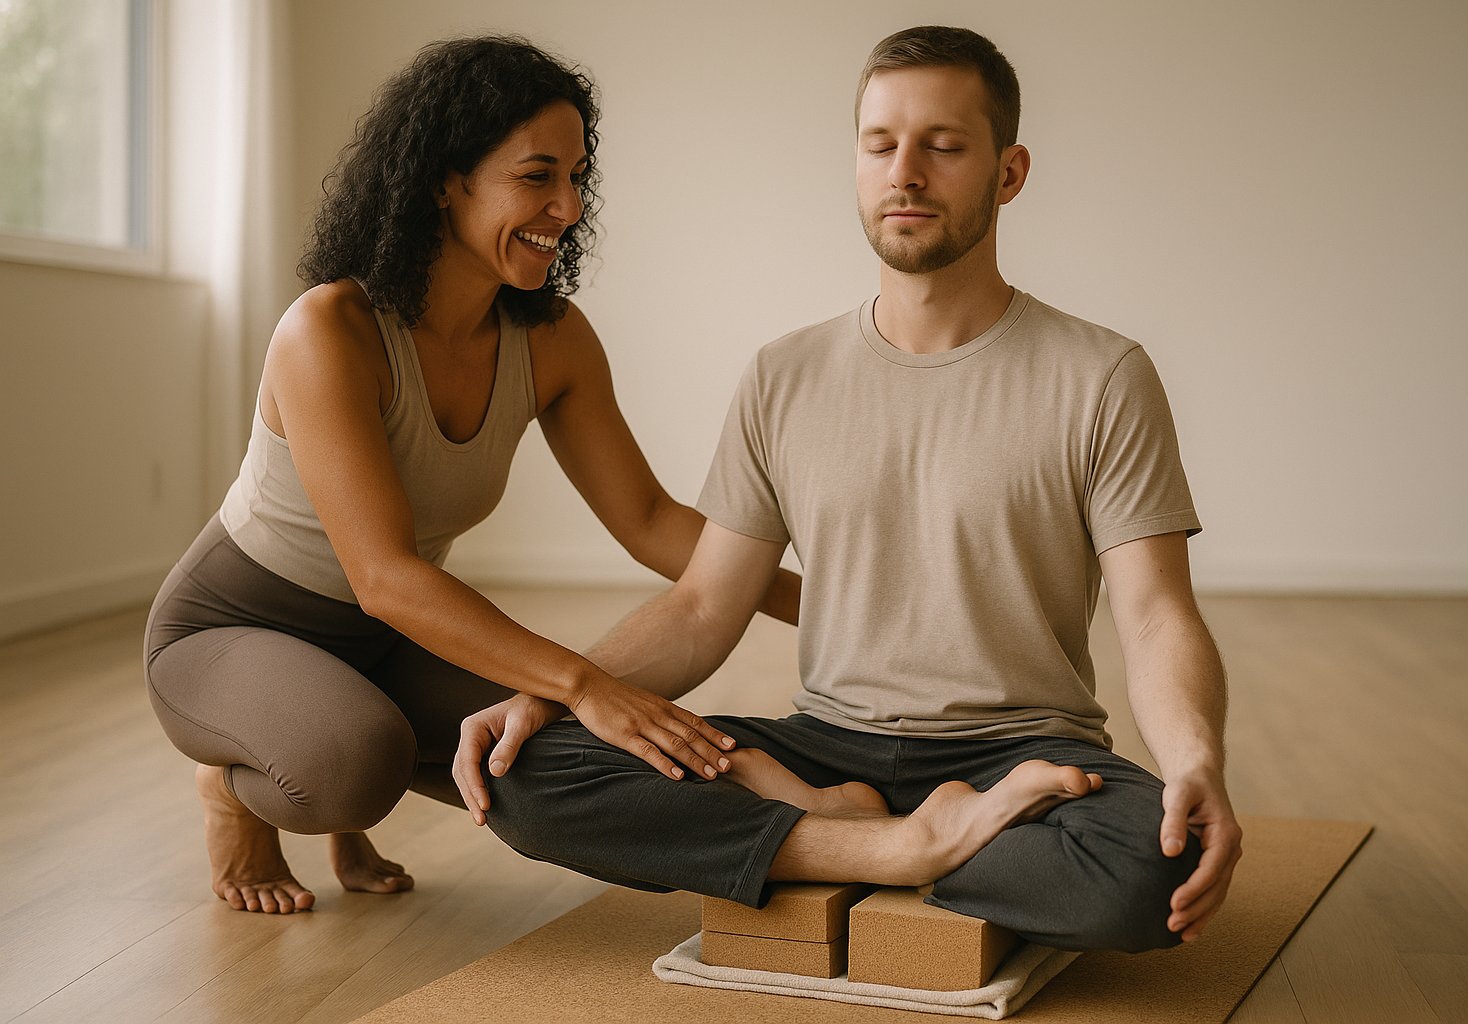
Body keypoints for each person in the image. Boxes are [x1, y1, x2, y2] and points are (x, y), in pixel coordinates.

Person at [454, 25, 1242, 952]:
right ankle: (893, 845)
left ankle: (838, 838)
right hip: (826, 746)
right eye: (880, 146)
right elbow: (706, 607)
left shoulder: (1102, 374)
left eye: (943, 147)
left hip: (1021, 752)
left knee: (1155, 865)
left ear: (1010, 172)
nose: (904, 172)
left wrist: (1197, 761)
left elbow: (1154, 615)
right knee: (526, 769)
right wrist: (560, 695)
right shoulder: (784, 374)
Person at [143, 35, 796, 915]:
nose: (566, 205)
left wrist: (825, 598)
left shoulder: (554, 339)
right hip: (231, 630)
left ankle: (333, 725)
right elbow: (384, 576)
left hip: (387, 643)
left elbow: (649, 519)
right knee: (355, 763)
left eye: (576, 176)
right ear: (448, 180)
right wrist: (584, 679)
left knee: (557, 742)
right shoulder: (330, 330)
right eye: (537, 176)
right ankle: (233, 788)